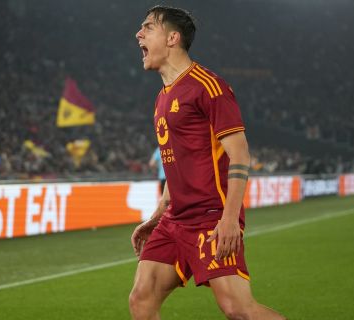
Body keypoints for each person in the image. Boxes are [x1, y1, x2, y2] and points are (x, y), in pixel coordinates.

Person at [129, 6, 286, 320]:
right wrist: (160, 212)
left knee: (237, 309)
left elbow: (240, 155)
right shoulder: (162, 98)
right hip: (174, 220)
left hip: (211, 217)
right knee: (141, 300)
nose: (138, 34)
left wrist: (230, 220)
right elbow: (177, 162)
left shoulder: (208, 87)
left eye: (148, 27)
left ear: (173, 38)